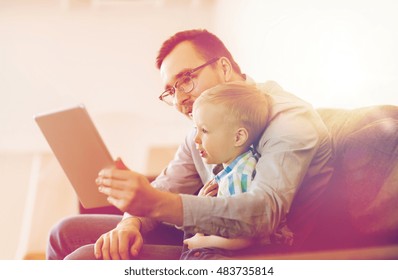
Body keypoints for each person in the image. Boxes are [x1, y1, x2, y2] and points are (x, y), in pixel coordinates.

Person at [47, 29, 334, 260]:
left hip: (255, 254)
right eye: (170, 91)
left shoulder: (288, 119)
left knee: (84, 260)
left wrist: (160, 204)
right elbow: (168, 184)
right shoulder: (200, 124)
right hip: (205, 237)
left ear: (223, 68)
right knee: (63, 232)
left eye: (185, 80)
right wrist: (130, 223)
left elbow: (263, 212)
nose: (180, 98)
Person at [183, 82, 275, 251]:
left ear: (238, 137)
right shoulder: (242, 164)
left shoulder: (237, 177)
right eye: (196, 129)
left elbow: (244, 239)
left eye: (204, 130)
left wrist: (201, 242)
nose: (196, 139)